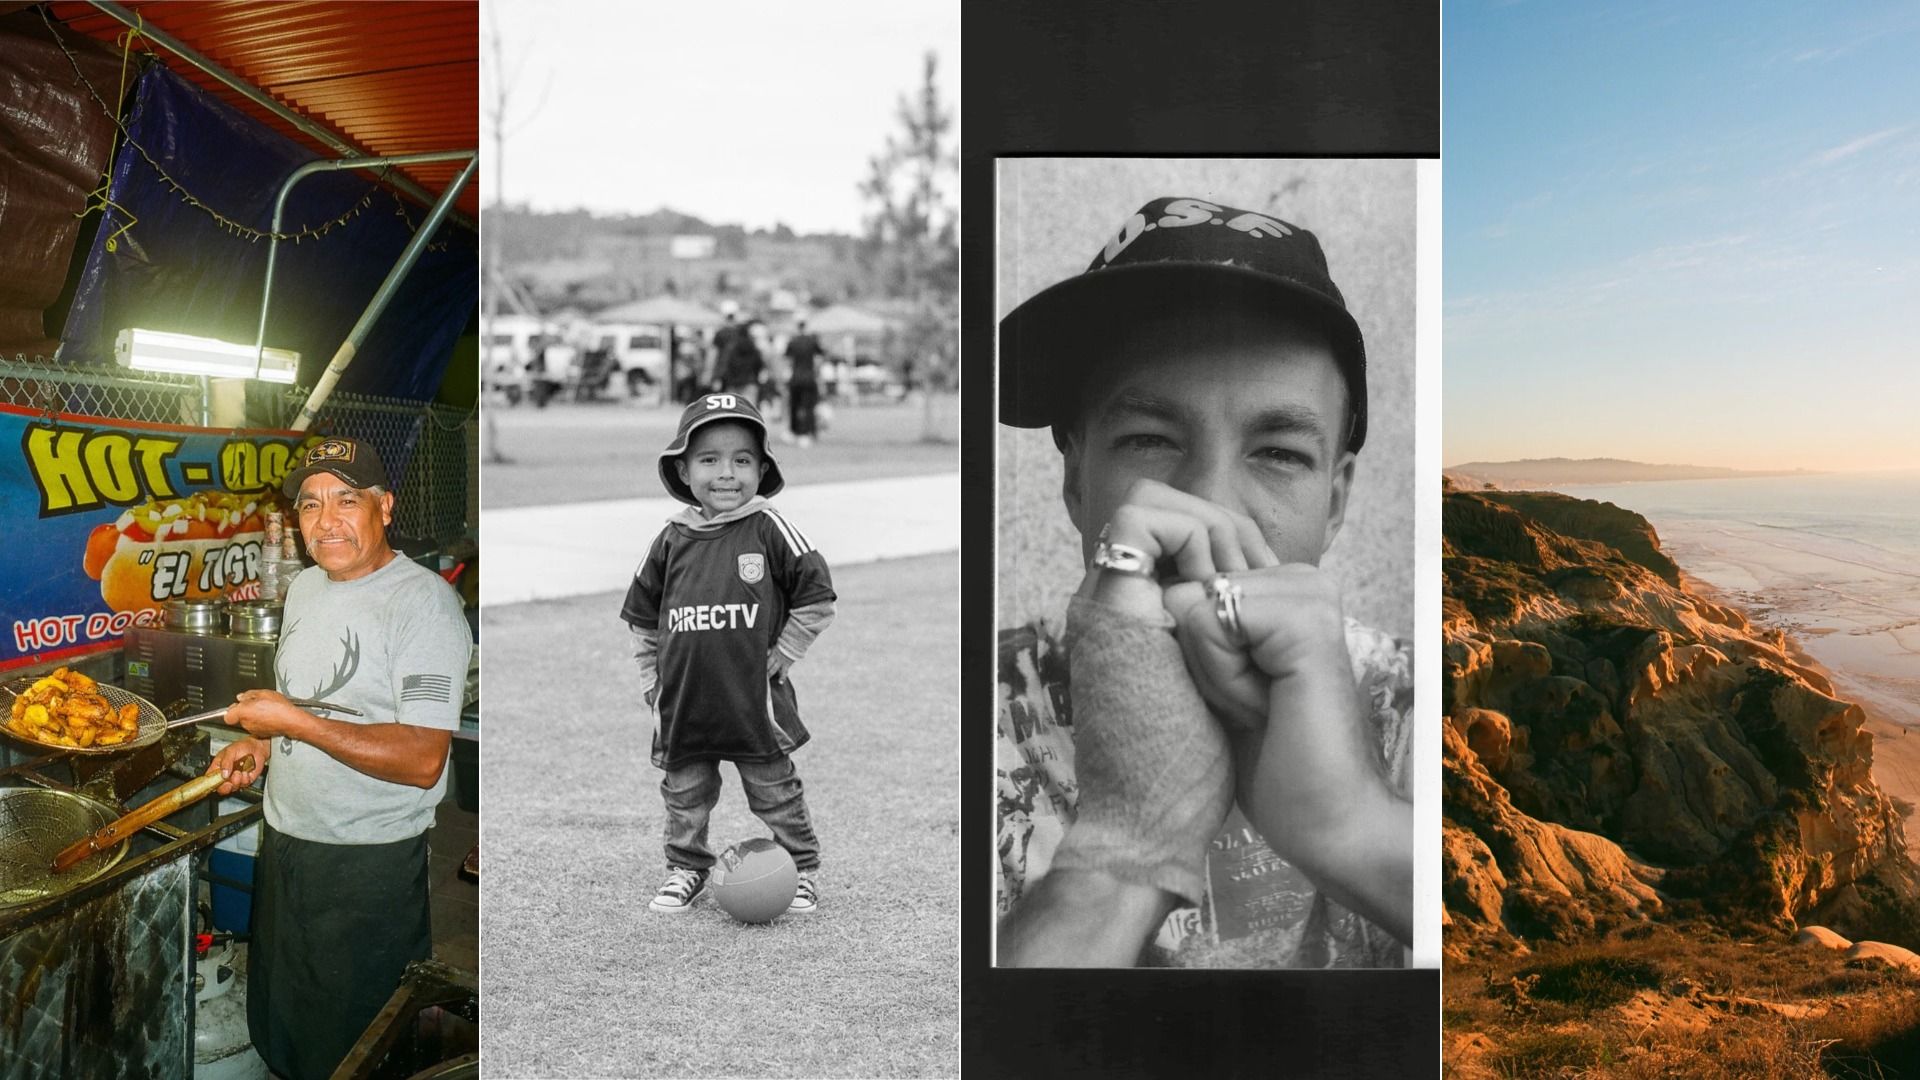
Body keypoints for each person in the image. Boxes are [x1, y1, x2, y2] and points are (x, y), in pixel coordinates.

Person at [994, 196, 1413, 968]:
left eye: (1280, 452)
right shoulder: (974, 718)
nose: (1208, 508)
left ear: (1337, 499)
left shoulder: (1425, 711)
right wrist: (1125, 856)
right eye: (1150, 439)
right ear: (1075, 481)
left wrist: (1351, 826)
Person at [208, 436, 472, 1078]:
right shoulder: (305, 590)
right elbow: (314, 706)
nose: (325, 521)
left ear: (385, 507)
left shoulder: (424, 606)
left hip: (366, 861)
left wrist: (293, 720)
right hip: (288, 837)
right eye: (309, 505)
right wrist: (263, 745)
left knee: (354, 1038)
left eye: (346, 501)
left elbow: (421, 758)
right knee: (284, 1016)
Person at [621, 395, 836, 915]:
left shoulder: (769, 528)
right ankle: (686, 867)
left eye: (742, 460)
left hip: (752, 701)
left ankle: (802, 869)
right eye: (709, 460)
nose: (726, 473)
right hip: (684, 699)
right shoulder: (671, 538)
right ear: (683, 468)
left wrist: (787, 649)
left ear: (762, 469)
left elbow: (817, 595)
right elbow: (642, 616)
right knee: (685, 792)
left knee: (774, 790)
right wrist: (652, 678)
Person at [785, 316, 825, 447]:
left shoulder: (792, 341)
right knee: (808, 406)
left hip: (795, 378)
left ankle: (794, 432)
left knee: (794, 406)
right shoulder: (812, 341)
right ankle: (806, 433)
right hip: (809, 378)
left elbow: (788, 361)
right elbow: (820, 357)